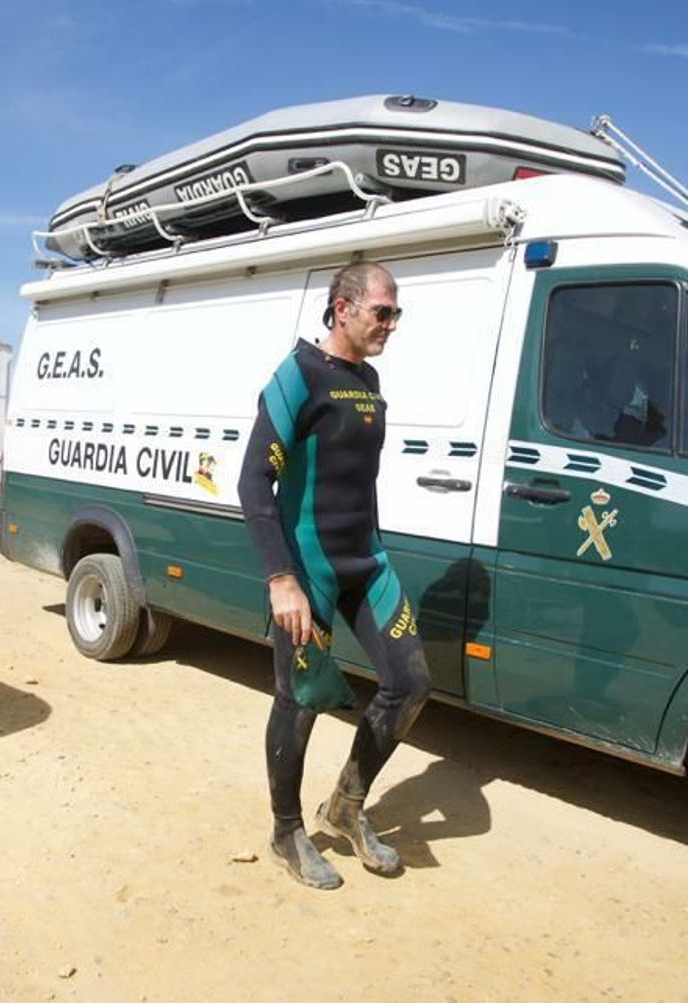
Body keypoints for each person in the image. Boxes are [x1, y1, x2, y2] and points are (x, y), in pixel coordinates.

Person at [237, 261, 431, 890]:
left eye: (396, 314)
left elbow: (358, 482)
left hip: (365, 562)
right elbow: (252, 482)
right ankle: (287, 830)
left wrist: (376, 549)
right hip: (309, 570)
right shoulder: (297, 375)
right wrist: (280, 578)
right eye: (383, 311)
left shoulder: (369, 380)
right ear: (343, 307)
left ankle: (347, 805)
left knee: (410, 681)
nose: (392, 325)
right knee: (300, 700)